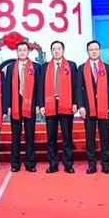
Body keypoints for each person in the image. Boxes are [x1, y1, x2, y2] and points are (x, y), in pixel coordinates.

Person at [38, 40, 79, 174]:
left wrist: (75, 102)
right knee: (51, 136)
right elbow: (40, 87)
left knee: (67, 135)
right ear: (51, 51)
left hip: (66, 104)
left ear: (63, 50)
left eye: (59, 49)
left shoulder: (71, 65)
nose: (56, 51)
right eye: (54, 49)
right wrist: (41, 104)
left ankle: (68, 164)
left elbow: (75, 86)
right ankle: (53, 164)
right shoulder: (44, 67)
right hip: (50, 104)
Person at [78, 40, 109, 174]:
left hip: (105, 107)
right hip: (88, 107)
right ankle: (92, 165)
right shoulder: (81, 68)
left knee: (105, 137)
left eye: (96, 49)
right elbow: (78, 89)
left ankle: (106, 165)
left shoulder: (107, 68)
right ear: (87, 52)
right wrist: (80, 106)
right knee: (90, 137)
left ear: (100, 51)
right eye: (91, 50)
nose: (94, 52)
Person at [6, 42, 39, 173]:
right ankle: (15, 163)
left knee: (30, 136)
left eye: (24, 50)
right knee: (16, 136)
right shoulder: (11, 68)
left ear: (28, 51)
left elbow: (39, 88)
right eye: (20, 50)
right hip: (15, 104)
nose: (22, 52)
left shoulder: (36, 67)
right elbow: (7, 88)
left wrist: (38, 104)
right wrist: (8, 106)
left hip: (30, 104)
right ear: (17, 52)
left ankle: (30, 163)